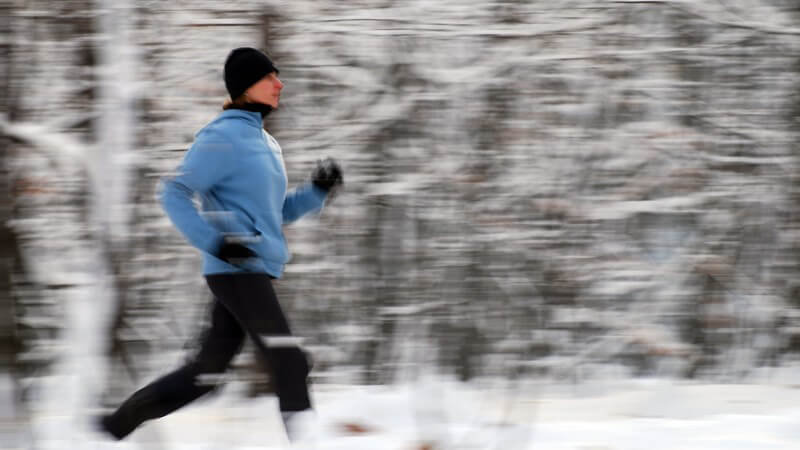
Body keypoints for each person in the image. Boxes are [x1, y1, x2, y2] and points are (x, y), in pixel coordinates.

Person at [98, 47, 343, 444]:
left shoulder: (265, 142)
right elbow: (173, 192)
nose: (280, 83)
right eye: (269, 78)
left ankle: (112, 428)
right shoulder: (221, 136)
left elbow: (271, 213)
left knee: (207, 372)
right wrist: (215, 242)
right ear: (246, 87)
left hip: (252, 268)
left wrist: (317, 192)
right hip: (237, 271)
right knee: (289, 360)